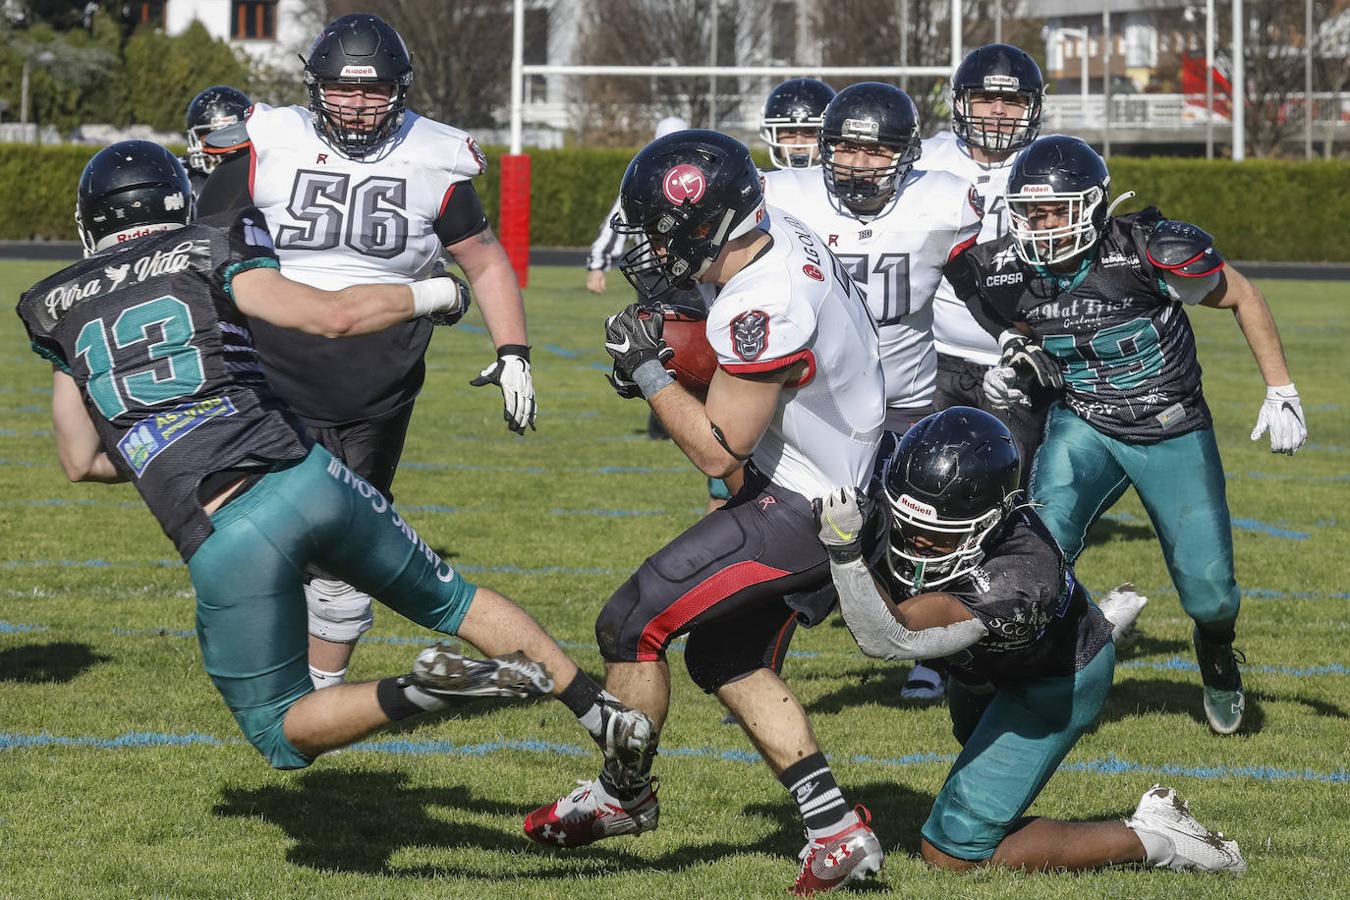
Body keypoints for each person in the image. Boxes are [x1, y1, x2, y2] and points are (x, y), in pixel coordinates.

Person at [16, 141, 652, 779]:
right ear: (180, 200)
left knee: (280, 733)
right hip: (310, 476)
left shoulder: (57, 304)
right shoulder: (208, 245)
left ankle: (424, 690)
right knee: (457, 602)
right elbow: (333, 315)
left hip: (222, 526)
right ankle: (603, 716)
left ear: (88, 220)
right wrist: (434, 295)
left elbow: (80, 459)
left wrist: (161, 441)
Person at [524, 130, 887, 895]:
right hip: (836, 479)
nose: (652, 253)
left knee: (631, 624)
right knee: (724, 658)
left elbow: (722, 450)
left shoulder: (766, 300)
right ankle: (836, 831)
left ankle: (622, 796)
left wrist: (650, 369)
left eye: (660, 235)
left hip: (806, 500)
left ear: (705, 227)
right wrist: (676, 357)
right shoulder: (772, 226)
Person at [196, 14, 536, 692]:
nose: (356, 104)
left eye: (373, 91)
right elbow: (202, 246)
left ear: (401, 91)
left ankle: (319, 698)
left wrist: (515, 350)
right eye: (341, 90)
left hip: (375, 378)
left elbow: (486, 261)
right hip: (269, 366)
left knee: (347, 546)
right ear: (314, 88)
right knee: (243, 533)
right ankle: (275, 676)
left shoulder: (434, 157)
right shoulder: (266, 142)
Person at [944, 135, 1309, 735]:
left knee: (1211, 596)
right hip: (1083, 422)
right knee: (1034, 556)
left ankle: (1216, 653)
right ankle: (991, 675)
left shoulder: (1145, 252)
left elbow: (1241, 292)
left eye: (1056, 210)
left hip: (1170, 427)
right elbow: (1021, 329)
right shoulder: (1007, 269)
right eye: (1031, 212)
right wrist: (1010, 369)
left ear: (1092, 206)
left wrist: (1281, 388)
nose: (1042, 225)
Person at [813, 407, 1247, 875]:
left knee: (954, 851)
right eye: (908, 526)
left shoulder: (1016, 578)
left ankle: (1157, 839)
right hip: (986, 666)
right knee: (975, 751)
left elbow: (891, 636)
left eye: (936, 538)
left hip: (1056, 680)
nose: (914, 544)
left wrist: (846, 554)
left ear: (990, 522)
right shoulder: (914, 500)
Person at [763, 81, 980, 701]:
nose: (858, 164)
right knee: (791, 533)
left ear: (906, 154)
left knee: (921, 534)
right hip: (811, 407)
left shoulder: (939, 201)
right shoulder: (785, 197)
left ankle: (931, 659)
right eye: (845, 149)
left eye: (876, 151)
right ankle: (758, 666)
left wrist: (1024, 335)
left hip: (906, 402)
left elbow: (983, 288)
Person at [585, 115, 690, 442]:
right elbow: (617, 222)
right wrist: (597, 263)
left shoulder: (693, 180)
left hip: (690, 271)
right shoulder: (646, 177)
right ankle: (664, 423)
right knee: (661, 342)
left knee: (688, 341)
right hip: (653, 274)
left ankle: (689, 417)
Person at [181, 85, 251, 198]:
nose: (221, 144)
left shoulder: (264, 175)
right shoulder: (184, 180)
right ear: (196, 138)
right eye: (211, 136)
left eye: (230, 135)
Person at [759, 77, 836, 170]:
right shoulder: (761, 183)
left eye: (810, 132)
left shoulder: (845, 182)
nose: (799, 144)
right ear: (774, 135)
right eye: (790, 132)